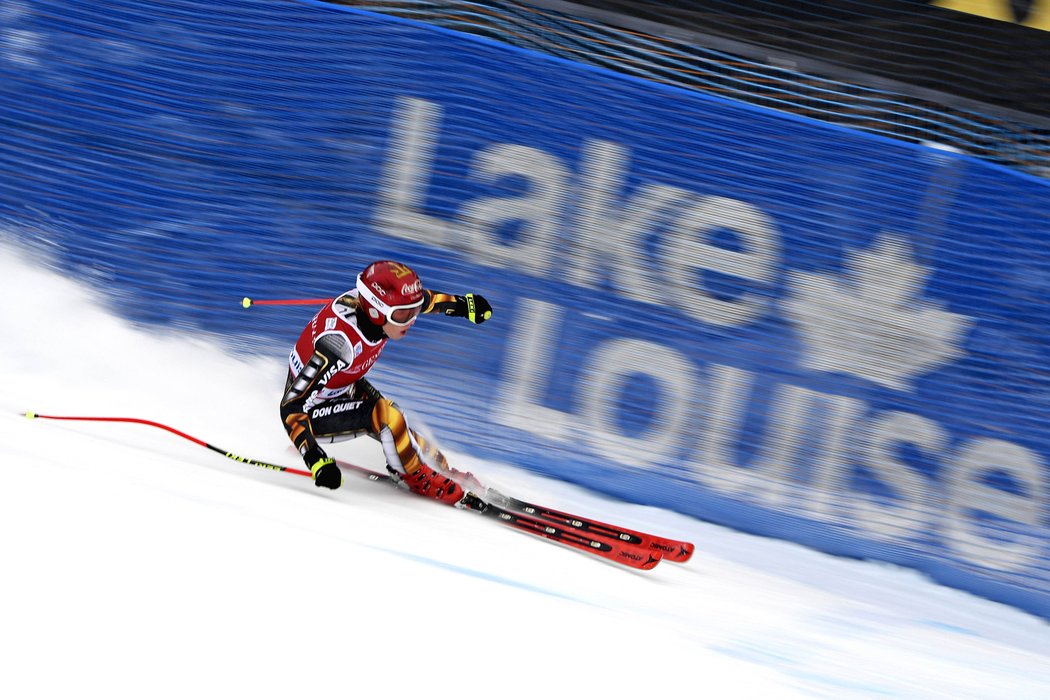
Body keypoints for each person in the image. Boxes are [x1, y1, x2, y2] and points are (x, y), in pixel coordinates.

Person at [279, 260, 492, 505]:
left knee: (408, 435)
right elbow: (291, 406)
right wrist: (315, 458)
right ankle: (415, 477)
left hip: (342, 386)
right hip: (312, 411)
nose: (412, 319)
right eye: (403, 315)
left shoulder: (382, 312)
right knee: (389, 416)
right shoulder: (339, 345)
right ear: (375, 311)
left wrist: (464, 306)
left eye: (413, 310)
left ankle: (439, 470)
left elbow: (426, 300)